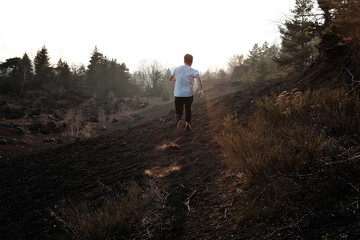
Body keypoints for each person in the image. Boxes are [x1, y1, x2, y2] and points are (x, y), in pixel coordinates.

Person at [170, 54, 204, 134]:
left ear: (184, 60)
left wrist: (178, 78)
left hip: (178, 94)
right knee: (188, 109)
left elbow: (170, 78)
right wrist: (200, 90)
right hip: (188, 95)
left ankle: (179, 121)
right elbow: (199, 79)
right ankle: (187, 126)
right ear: (191, 61)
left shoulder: (177, 69)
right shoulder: (193, 70)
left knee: (179, 111)